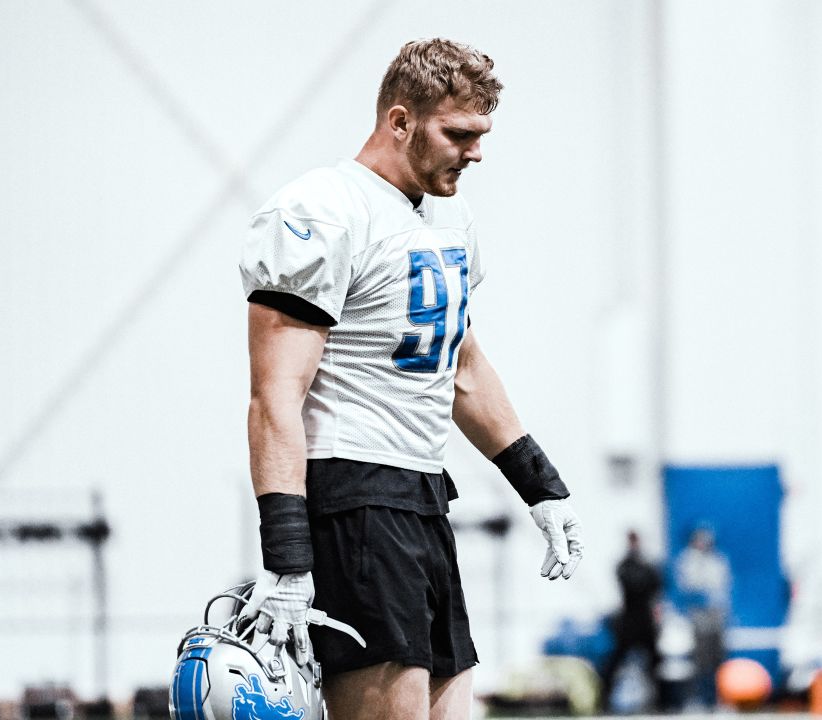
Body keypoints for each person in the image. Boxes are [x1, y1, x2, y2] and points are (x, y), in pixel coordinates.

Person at [234, 39, 585, 720]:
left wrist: (541, 487)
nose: (475, 152)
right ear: (400, 121)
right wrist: (286, 556)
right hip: (354, 495)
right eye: (458, 134)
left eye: (480, 134)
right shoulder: (324, 210)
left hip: (425, 496)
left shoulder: (449, 218)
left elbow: (462, 366)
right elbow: (275, 395)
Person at [599, 530, 663, 712]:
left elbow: (656, 584)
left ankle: (657, 702)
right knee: (615, 661)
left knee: (654, 662)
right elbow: (633, 584)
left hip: (645, 619)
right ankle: (604, 700)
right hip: (629, 620)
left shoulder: (647, 564)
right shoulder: (625, 565)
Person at [673, 524, 731, 708]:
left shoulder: (718, 560)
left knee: (718, 658)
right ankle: (699, 698)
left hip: (716, 616)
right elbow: (689, 585)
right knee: (700, 660)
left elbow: (723, 587)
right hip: (699, 616)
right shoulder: (688, 560)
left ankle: (719, 698)